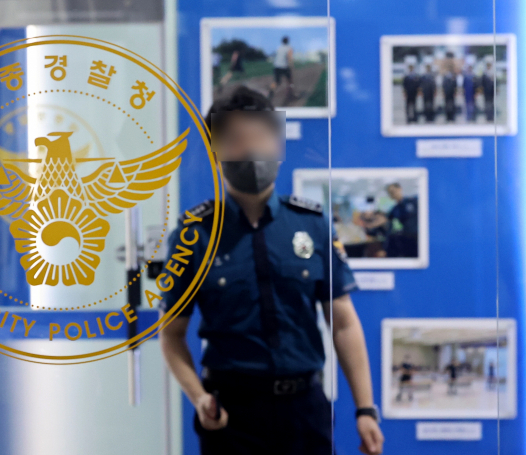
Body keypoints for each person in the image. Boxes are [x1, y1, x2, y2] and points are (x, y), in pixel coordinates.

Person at [159, 87, 384, 455]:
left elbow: (343, 322)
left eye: (260, 137)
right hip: (230, 414)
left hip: (304, 410)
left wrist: (365, 409)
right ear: (215, 151)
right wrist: (198, 398)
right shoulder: (193, 235)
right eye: (236, 140)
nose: (251, 150)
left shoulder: (312, 224)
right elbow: (171, 335)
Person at [385, 183, 418, 258]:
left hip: (418, 236)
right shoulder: (395, 209)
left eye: (393, 191)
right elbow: (387, 221)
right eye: (390, 193)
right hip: (407, 238)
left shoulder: (413, 201)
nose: (393, 194)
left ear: (400, 189)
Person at [268, 36, 294, 101]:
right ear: (288, 41)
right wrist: (291, 67)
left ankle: (271, 92)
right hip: (284, 67)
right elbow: (289, 58)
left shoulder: (279, 47)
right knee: (290, 81)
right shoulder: (289, 48)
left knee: (276, 81)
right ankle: (290, 95)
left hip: (277, 66)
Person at [442, 53, 457, 122]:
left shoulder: (454, 75)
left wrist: (455, 91)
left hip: (452, 92)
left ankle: (452, 117)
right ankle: (447, 117)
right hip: (446, 92)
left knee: (452, 104)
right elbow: (443, 84)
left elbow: (455, 84)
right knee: (447, 104)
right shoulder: (445, 75)